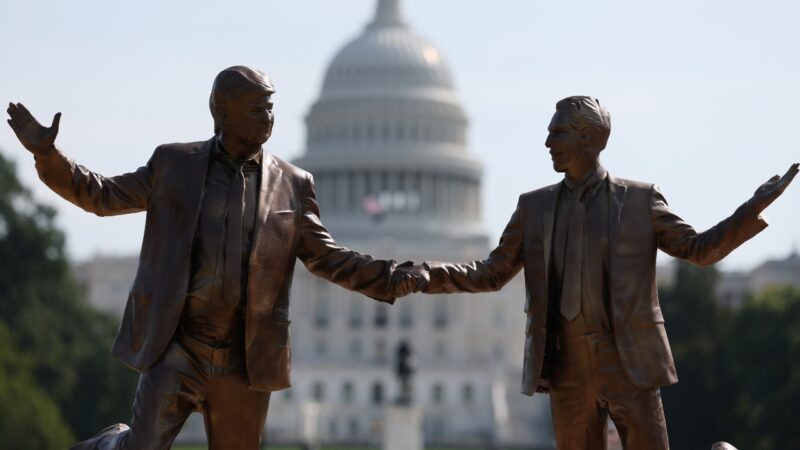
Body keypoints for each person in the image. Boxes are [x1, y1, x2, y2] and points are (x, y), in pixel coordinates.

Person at [6, 66, 416, 450]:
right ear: (221, 111)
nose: (268, 118)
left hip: (244, 359)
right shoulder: (175, 165)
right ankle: (112, 443)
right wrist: (49, 156)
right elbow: (102, 195)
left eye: (271, 108)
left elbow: (332, 259)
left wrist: (420, 277)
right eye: (257, 109)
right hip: (180, 345)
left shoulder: (293, 184)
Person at [391, 96, 798, 450]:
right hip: (565, 366)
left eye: (559, 133)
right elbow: (491, 273)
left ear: (590, 137)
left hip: (628, 362)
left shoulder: (639, 201)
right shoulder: (533, 208)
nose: (548, 143)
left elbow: (698, 250)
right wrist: (430, 274)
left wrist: (751, 211)